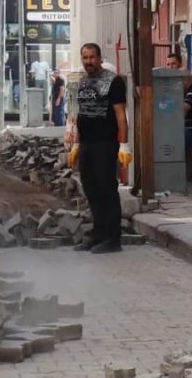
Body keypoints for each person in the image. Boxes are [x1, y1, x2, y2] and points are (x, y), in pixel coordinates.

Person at [69, 43, 128, 254]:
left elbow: (121, 115)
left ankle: (113, 239)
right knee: (91, 189)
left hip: (105, 143)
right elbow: (80, 114)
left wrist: (124, 144)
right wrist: (76, 143)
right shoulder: (83, 82)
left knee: (107, 190)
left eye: (92, 57)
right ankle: (98, 234)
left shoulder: (114, 81)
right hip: (87, 144)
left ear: (100, 58)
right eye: (85, 57)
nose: (88, 62)